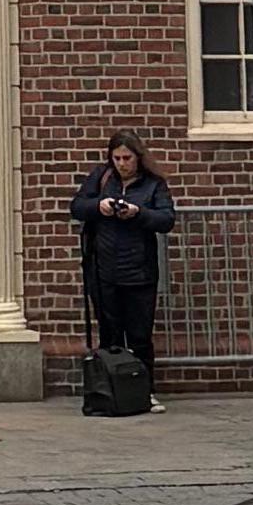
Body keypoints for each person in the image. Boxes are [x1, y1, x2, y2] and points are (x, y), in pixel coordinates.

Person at [71, 140, 179, 379]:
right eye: (117, 158)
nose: (122, 164)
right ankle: (112, 388)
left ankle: (144, 388)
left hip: (139, 271)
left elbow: (166, 219)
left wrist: (137, 213)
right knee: (110, 334)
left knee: (140, 335)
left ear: (138, 158)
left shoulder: (153, 184)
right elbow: (77, 206)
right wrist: (98, 206)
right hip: (104, 269)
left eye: (127, 158)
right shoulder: (101, 177)